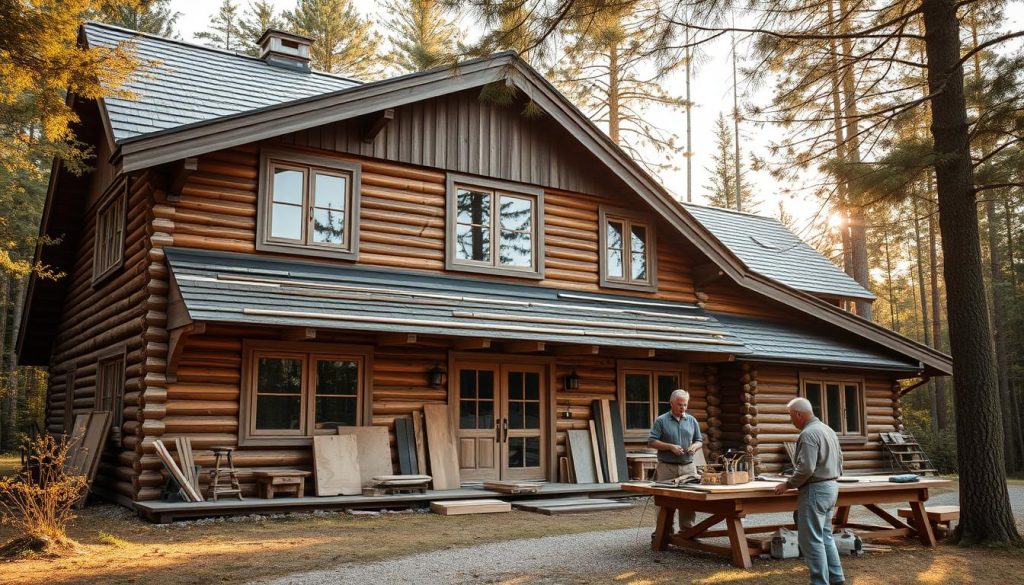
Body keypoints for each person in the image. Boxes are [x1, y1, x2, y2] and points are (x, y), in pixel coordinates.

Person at [773, 397, 845, 585]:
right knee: (825, 536)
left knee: (811, 540)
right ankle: (836, 578)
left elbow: (806, 469)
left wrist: (787, 484)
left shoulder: (808, 434)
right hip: (831, 486)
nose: (790, 420)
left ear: (798, 414)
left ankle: (820, 582)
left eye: (791, 416)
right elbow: (840, 460)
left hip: (815, 489)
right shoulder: (827, 430)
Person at [648, 388, 703, 531]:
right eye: (679, 404)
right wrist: (670, 447)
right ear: (671, 403)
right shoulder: (661, 420)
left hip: (688, 467)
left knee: (689, 501)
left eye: (685, 404)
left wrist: (694, 447)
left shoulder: (692, 420)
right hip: (666, 467)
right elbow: (652, 441)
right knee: (664, 501)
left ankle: (687, 532)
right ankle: (663, 531)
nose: (683, 407)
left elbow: (699, 440)